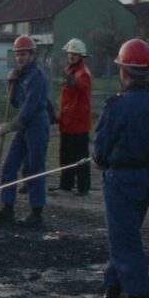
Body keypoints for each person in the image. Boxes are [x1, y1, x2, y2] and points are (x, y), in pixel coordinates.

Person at [78, 39, 149, 298]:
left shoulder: (117, 107)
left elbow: (101, 148)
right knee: (123, 240)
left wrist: (98, 159)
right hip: (143, 178)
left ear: (124, 71)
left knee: (126, 243)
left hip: (120, 180)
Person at [0, 35, 50, 227]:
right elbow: (17, 103)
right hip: (23, 124)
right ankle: (7, 208)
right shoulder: (21, 75)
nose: (19, 58)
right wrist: (11, 85)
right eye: (17, 54)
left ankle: (37, 213)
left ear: (33, 55)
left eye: (23, 54)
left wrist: (9, 127)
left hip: (36, 123)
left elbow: (28, 110)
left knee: (35, 167)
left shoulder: (38, 78)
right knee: (10, 165)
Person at [57, 38, 92, 195]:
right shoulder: (71, 71)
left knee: (80, 157)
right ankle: (66, 185)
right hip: (68, 122)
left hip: (78, 124)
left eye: (75, 53)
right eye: (70, 53)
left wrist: (70, 80)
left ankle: (83, 187)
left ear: (81, 56)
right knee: (65, 156)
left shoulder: (82, 73)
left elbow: (81, 87)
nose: (71, 56)